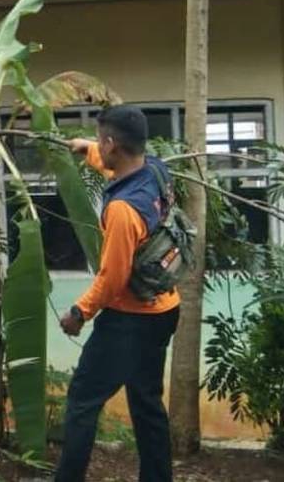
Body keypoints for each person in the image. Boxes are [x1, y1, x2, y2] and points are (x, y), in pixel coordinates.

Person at [55, 105, 182, 482]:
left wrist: (79, 313)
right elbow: (116, 168)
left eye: (99, 139)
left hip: (130, 321)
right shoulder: (155, 168)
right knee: (146, 403)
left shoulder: (123, 211)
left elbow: (113, 278)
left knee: (82, 401)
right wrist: (85, 148)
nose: (98, 144)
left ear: (112, 143)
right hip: (164, 308)